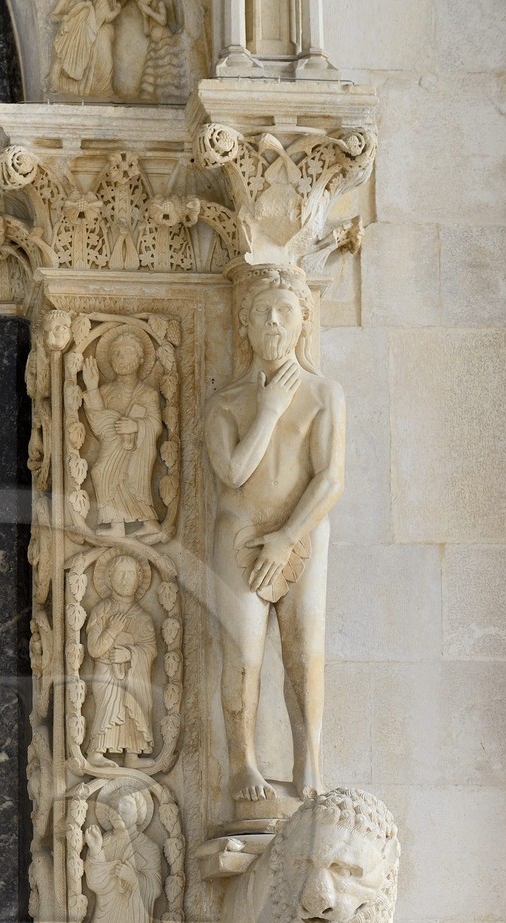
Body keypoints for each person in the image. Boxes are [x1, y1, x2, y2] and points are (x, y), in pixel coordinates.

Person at [205, 265, 345, 807]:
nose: (273, 321)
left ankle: (309, 758)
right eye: (262, 312)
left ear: (302, 322)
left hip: (303, 532)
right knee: (242, 652)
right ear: (244, 324)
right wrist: (267, 410)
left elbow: (330, 478)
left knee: (304, 650)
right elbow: (235, 473)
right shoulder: (227, 403)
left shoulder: (323, 393)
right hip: (239, 534)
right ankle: (243, 761)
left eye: (285, 311)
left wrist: (288, 536)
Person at [84, 778, 161, 923]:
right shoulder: (105, 842)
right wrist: (96, 852)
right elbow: (95, 883)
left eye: (125, 806)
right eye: (113, 807)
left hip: (133, 910)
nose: (117, 811)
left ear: (138, 812)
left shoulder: (148, 847)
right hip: (107, 908)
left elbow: (155, 886)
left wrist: (133, 878)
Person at [82, 326, 163, 535]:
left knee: (133, 477)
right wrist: (91, 387)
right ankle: (116, 525)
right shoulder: (104, 391)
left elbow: (155, 425)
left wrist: (137, 425)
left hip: (138, 451)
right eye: (116, 353)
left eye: (127, 352)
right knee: (100, 472)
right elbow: (99, 425)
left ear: (140, 358)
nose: (121, 357)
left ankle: (149, 522)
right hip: (111, 448)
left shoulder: (148, 393)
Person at [86, 551, 156, 759]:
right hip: (107, 677)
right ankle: (96, 754)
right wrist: (112, 631)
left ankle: (132, 757)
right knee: (109, 708)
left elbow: (150, 650)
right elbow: (94, 650)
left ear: (138, 579)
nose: (125, 580)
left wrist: (130, 654)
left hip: (133, 678)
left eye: (130, 574)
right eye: (119, 574)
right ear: (109, 578)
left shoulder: (143, 618)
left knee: (134, 706)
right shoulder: (101, 611)